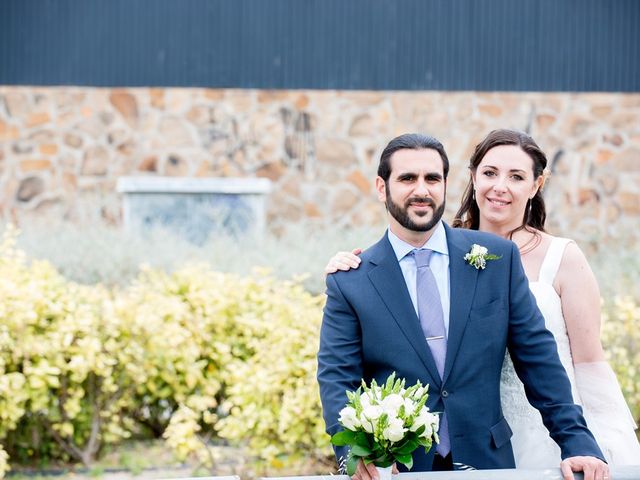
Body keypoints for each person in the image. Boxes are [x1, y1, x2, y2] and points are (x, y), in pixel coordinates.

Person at [325, 129, 640, 468]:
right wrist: (352, 455)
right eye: (407, 178)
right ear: (381, 187)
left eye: (433, 178)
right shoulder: (351, 280)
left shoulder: (497, 259)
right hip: (397, 466)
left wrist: (576, 443)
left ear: (446, 184)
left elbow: (538, 358)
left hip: (487, 458)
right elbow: (337, 376)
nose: (421, 190)